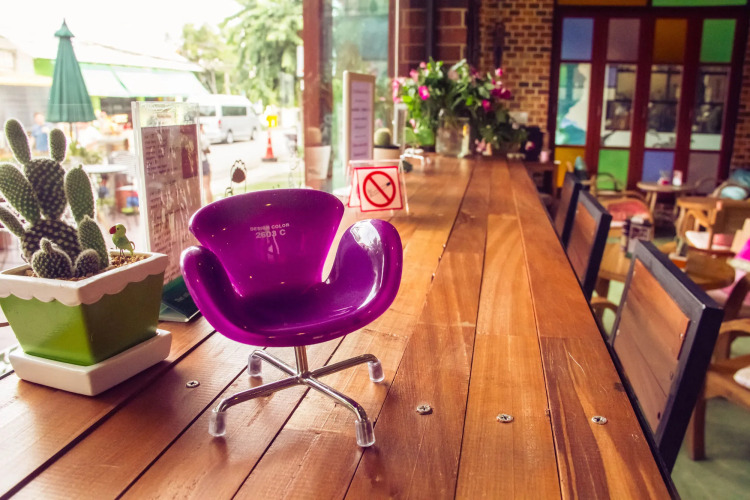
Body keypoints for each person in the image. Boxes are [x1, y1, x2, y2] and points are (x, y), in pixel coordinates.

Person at [199, 124, 213, 203]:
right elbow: (208, 149)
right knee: (207, 186)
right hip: (203, 162)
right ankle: (210, 204)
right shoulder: (202, 137)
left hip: (198, 162)